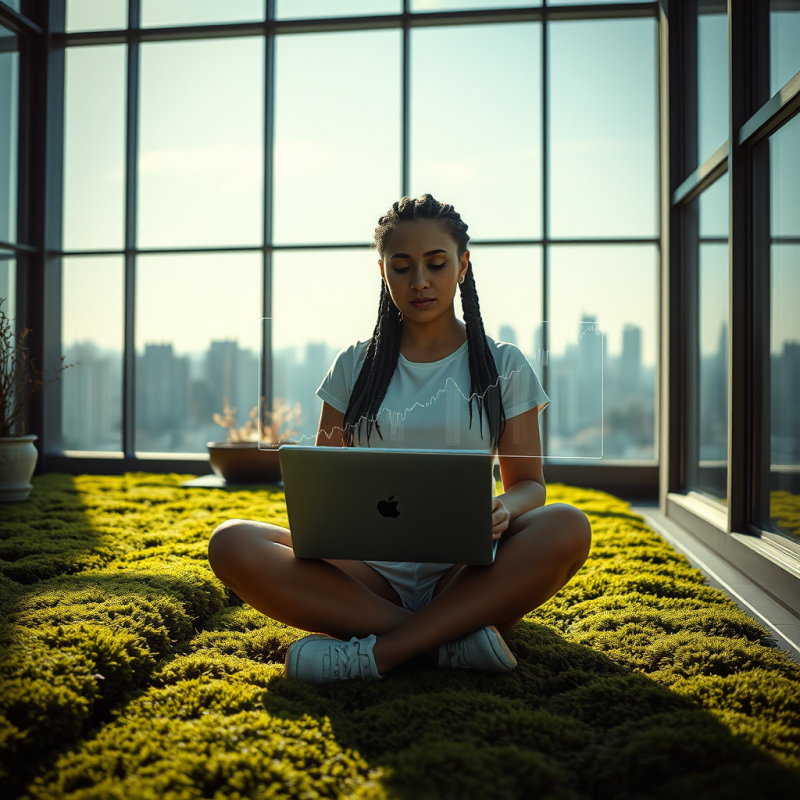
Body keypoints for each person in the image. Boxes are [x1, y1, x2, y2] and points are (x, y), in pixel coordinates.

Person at [207, 194, 592, 685]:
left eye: (436, 264)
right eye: (402, 267)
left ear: (462, 265)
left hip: (467, 570)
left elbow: (531, 487)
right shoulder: (352, 365)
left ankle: (380, 654)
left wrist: (504, 510)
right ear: (383, 271)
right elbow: (324, 487)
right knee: (231, 543)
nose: (420, 282)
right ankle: (441, 642)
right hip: (365, 575)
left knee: (567, 526)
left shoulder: (505, 364)